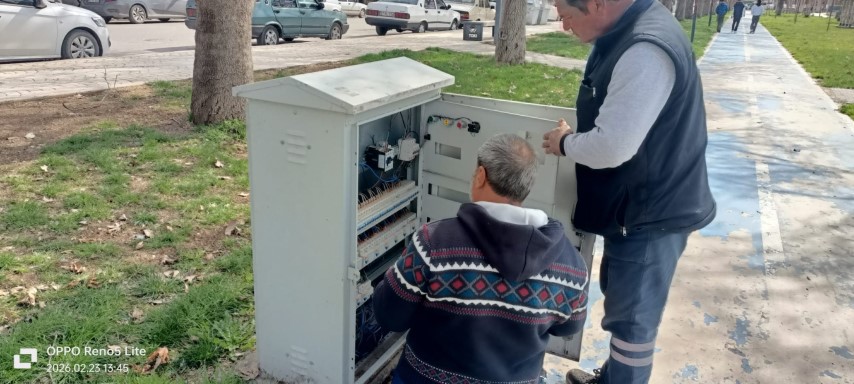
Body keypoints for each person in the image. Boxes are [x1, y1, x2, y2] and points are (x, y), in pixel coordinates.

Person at [543, 0, 717, 382]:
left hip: (651, 213)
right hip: (640, 203)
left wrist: (565, 144)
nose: (563, 26)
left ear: (597, 4)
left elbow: (613, 146)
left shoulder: (645, 49)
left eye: (566, 16)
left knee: (632, 325)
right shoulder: (627, 29)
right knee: (624, 305)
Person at [373, 133, 590, 384]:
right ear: (527, 185)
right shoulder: (572, 264)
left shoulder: (434, 243)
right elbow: (568, 328)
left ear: (480, 175)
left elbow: (389, 315)